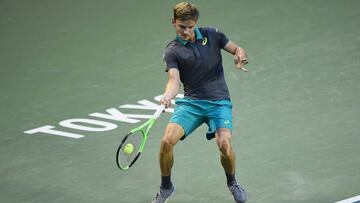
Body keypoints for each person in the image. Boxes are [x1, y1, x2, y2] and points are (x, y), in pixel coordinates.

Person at [152, 2, 249, 203]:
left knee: (224, 144)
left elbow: (237, 48)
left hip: (219, 102)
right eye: (181, 26)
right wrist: (168, 96)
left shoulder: (213, 34)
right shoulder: (173, 50)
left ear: (195, 23)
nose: (185, 31)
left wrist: (240, 55)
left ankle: (232, 183)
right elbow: (174, 81)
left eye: (189, 26)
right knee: (166, 142)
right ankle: (166, 187)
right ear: (173, 23)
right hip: (192, 103)